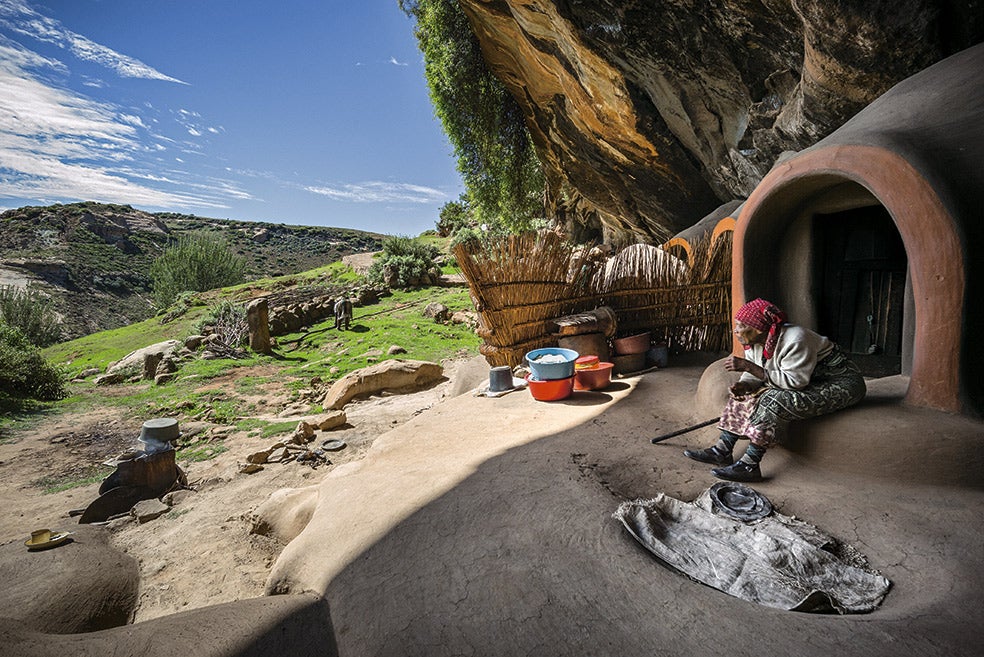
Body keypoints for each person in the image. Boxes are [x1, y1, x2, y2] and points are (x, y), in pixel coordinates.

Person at [684, 298, 866, 482]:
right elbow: (756, 373)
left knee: (774, 399)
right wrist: (744, 385)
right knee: (745, 394)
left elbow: (795, 382)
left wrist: (749, 367)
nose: (736, 330)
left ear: (758, 329)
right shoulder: (754, 342)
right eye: (736, 325)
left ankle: (750, 465)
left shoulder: (796, 339)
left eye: (741, 325)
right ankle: (722, 450)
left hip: (842, 383)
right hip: (810, 380)